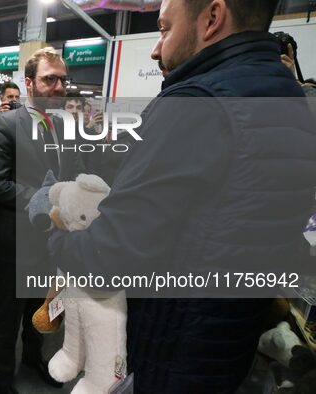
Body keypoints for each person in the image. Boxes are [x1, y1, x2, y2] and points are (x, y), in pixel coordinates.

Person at [47, 0, 316, 393]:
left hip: (171, 346)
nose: (157, 48)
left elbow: (113, 255)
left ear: (212, 17)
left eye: (164, 29)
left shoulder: (196, 101)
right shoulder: (290, 99)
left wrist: (57, 243)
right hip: (228, 341)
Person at [0, 47, 83, 393]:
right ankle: (0, 379)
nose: (58, 87)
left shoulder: (65, 125)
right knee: (9, 314)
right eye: (49, 79)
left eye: (62, 80)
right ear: (29, 83)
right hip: (17, 239)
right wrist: (50, 199)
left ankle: (32, 357)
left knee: (41, 303)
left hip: (54, 239)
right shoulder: (6, 124)